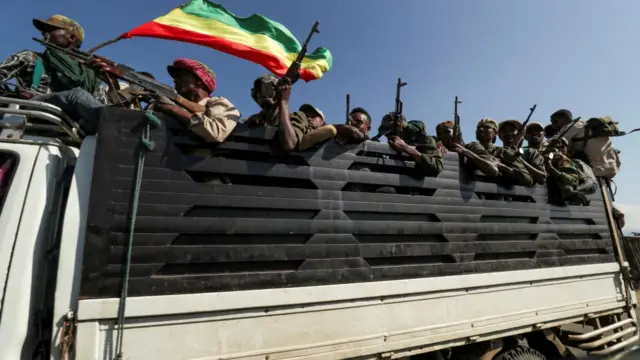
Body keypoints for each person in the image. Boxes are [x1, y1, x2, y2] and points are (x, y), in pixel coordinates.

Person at [0, 15, 111, 134]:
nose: (44, 34)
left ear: (72, 38)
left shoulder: (89, 74)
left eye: (50, 30)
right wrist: (12, 96)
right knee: (78, 95)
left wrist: (110, 81)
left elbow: (102, 108)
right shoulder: (30, 57)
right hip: (34, 113)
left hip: (70, 130)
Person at [153, 58, 240, 143]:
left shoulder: (218, 102)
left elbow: (215, 132)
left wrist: (172, 108)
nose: (175, 80)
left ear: (199, 80)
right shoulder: (173, 103)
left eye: (181, 76)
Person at [455, 118, 534, 187]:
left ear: (495, 133)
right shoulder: (469, 146)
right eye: (478, 127)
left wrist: (502, 167)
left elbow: (528, 180)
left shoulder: (504, 152)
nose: (481, 130)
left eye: (487, 127)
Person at [548, 109, 620, 178]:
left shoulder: (570, 127)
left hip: (592, 171)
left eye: (555, 121)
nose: (553, 126)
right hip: (612, 170)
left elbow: (555, 146)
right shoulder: (589, 126)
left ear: (566, 118)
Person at [381, 113, 444, 177]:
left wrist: (406, 148)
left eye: (390, 131)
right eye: (386, 133)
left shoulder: (426, 140)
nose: (388, 135)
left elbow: (436, 167)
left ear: (401, 127)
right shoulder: (396, 144)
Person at [498, 119, 546, 186]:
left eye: (512, 130)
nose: (508, 133)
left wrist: (519, 159)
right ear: (500, 135)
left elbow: (542, 178)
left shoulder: (530, 152)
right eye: (504, 131)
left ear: (520, 134)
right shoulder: (496, 152)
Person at [543, 137, 589, 205]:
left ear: (567, 149)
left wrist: (554, 172)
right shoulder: (546, 154)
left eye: (562, 146)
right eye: (556, 145)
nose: (559, 147)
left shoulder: (569, 161)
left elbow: (575, 179)